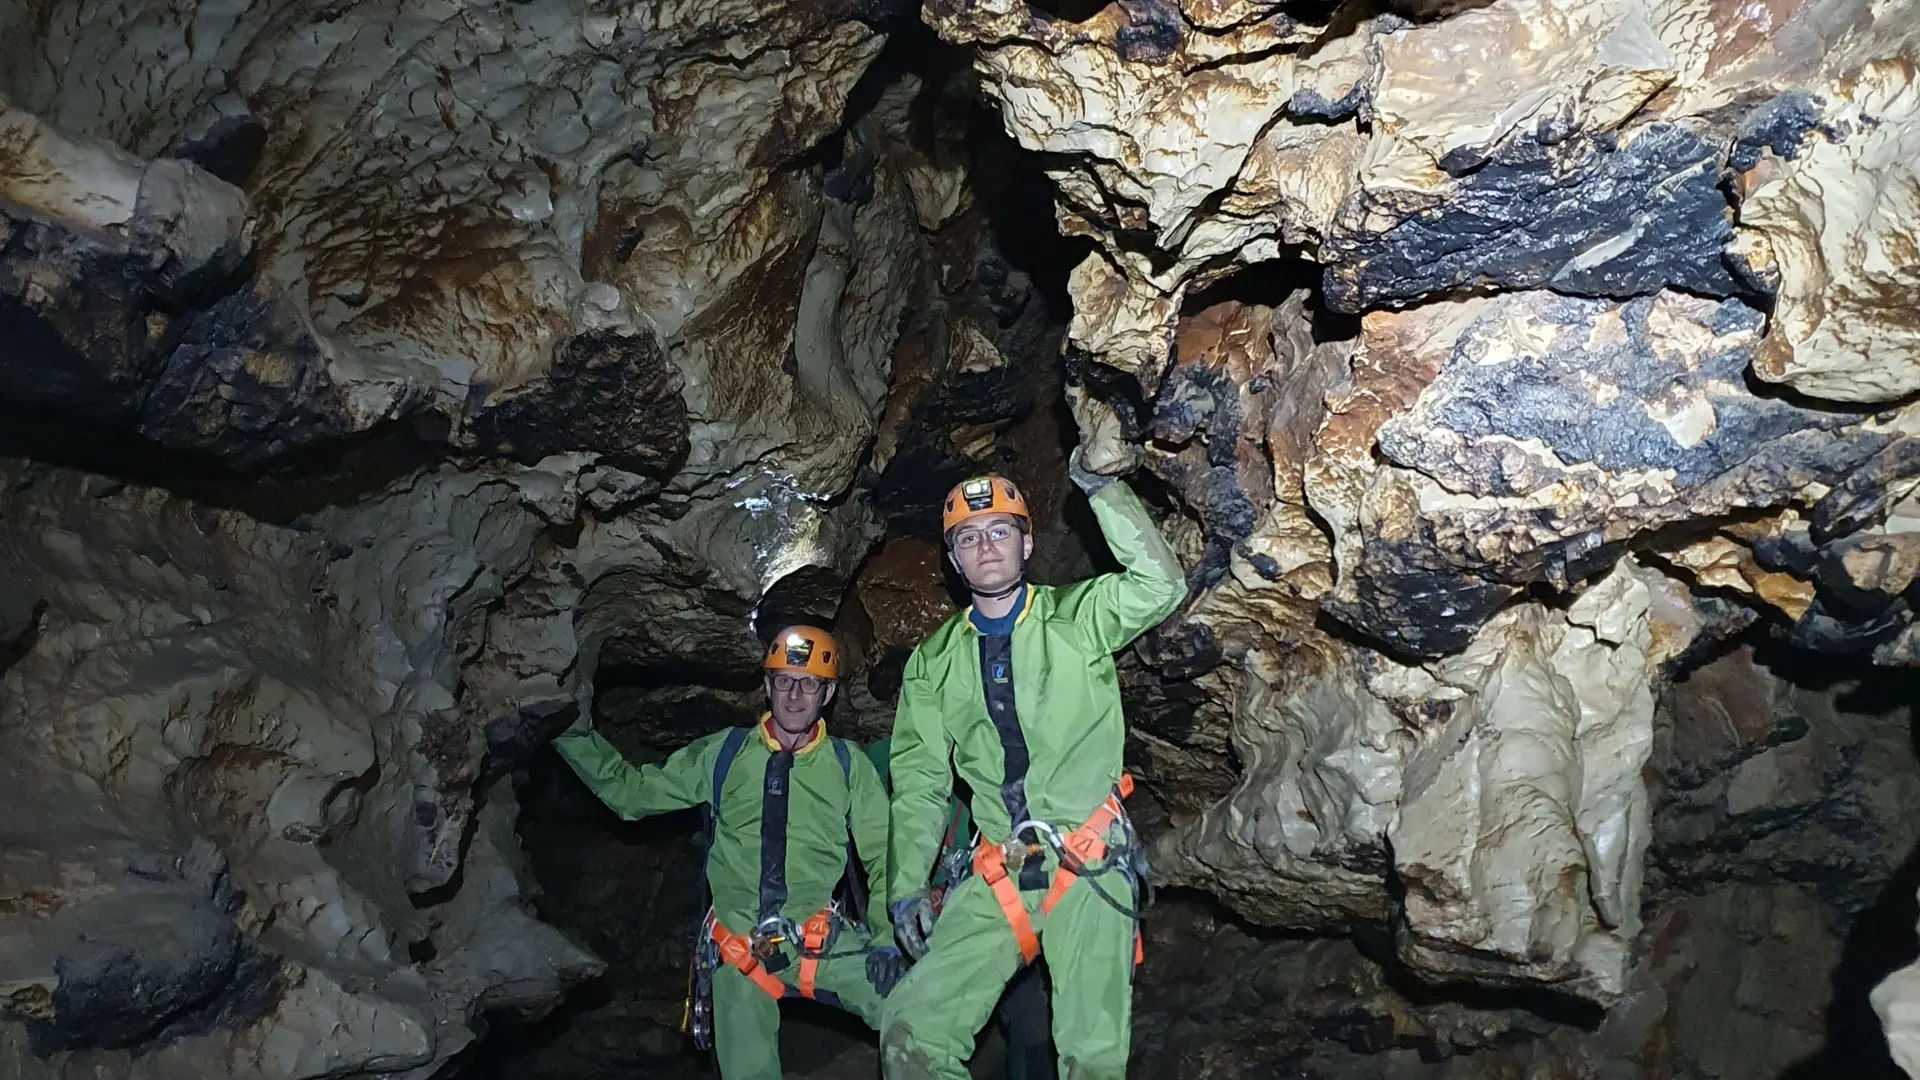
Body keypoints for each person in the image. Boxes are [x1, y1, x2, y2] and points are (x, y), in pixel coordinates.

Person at [880, 459, 1187, 1079]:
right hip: (1001, 868)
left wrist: (1103, 489)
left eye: (999, 530)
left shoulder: (1078, 617)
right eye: (967, 537)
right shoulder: (933, 663)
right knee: (911, 1029)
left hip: (1089, 856)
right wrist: (905, 883)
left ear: (1026, 543)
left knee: (1090, 1056)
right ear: (953, 560)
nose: (984, 545)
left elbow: (1161, 586)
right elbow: (920, 782)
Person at [549, 625, 909, 1080]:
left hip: (818, 941)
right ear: (767, 685)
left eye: (810, 683)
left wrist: (884, 937)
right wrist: (567, 730)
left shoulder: (847, 765)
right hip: (741, 950)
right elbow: (632, 794)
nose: (795, 695)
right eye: (784, 680)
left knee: (914, 1010)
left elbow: (883, 858)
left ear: (829, 693)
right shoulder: (725, 753)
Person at [864, 736, 1056, 1080]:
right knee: (912, 1017)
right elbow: (880, 863)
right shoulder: (886, 776)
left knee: (1027, 1011)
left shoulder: (987, 783)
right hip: (916, 926)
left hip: (982, 910)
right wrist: (886, 929)